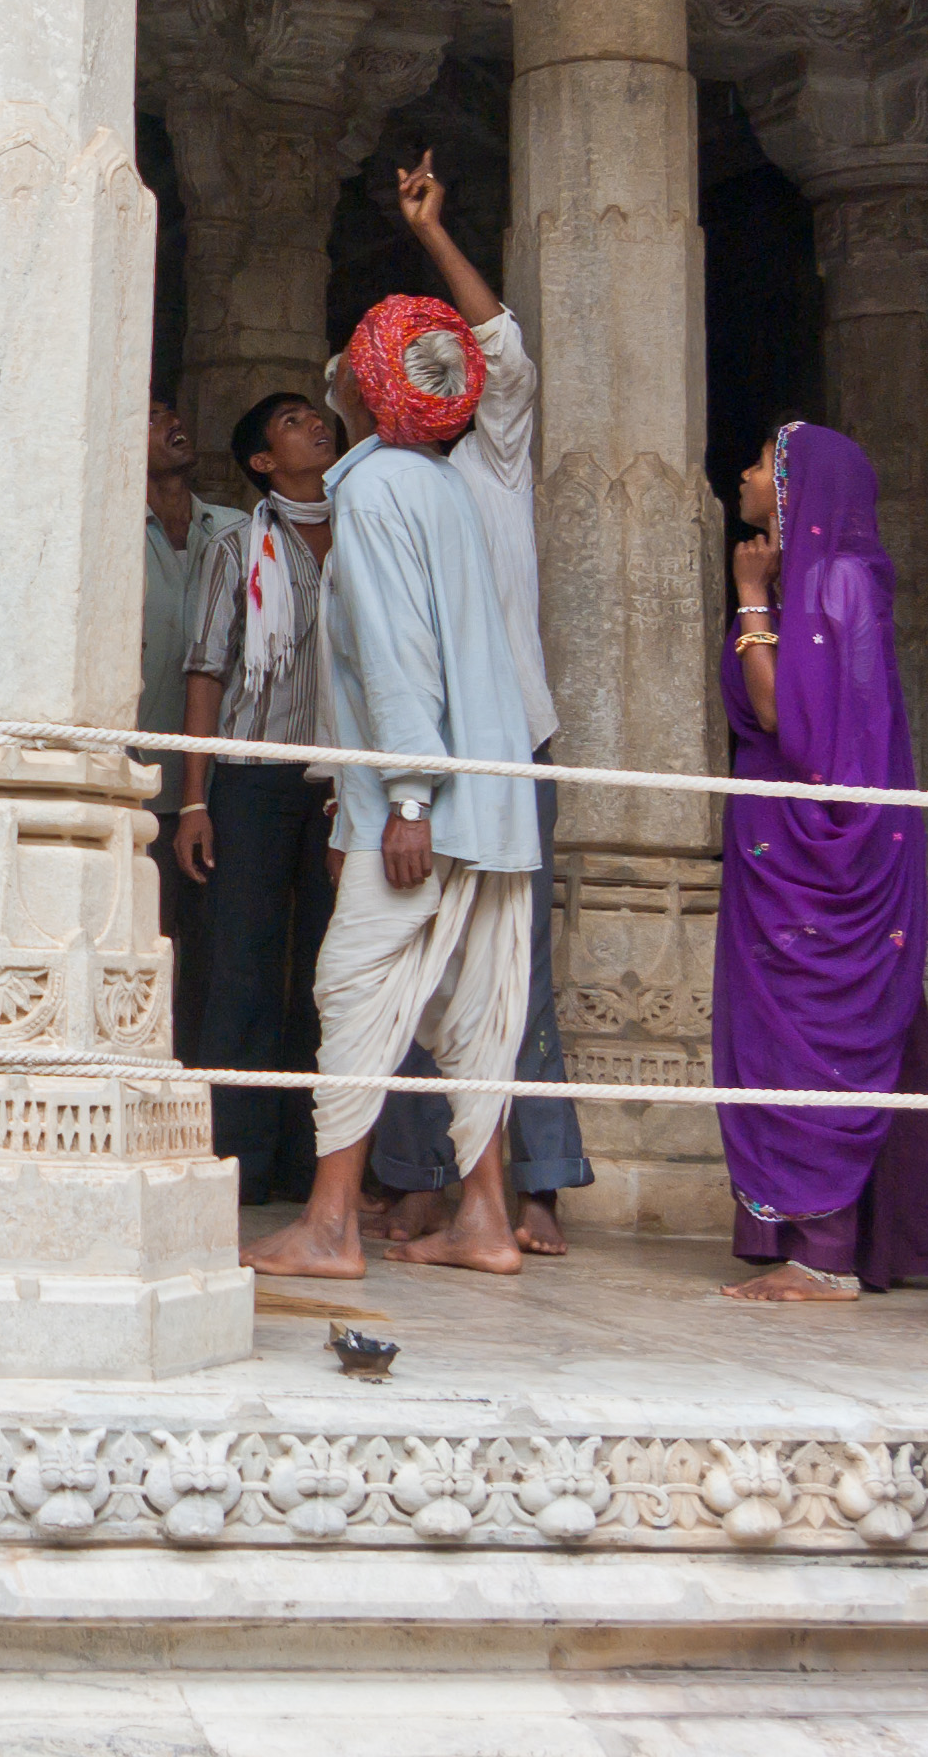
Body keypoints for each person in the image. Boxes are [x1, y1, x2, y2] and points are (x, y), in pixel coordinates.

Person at [252, 296, 544, 1280]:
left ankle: (330, 1224)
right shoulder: (440, 485)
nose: (328, 382)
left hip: (427, 802)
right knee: (469, 1009)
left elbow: (395, 654)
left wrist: (408, 797)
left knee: (350, 988)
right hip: (488, 794)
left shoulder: (373, 491)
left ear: (367, 387)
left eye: (342, 368)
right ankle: (484, 1220)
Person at [357, 152, 593, 1256]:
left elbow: (499, 348)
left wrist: (431, 235)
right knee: (408, 960)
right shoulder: (383, 477)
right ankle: (415, 1180)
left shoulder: (491, 459)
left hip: (504, 746)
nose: (444, 375)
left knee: (511, 967)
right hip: (412, 756)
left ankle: (530, 1185)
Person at [717, 421, 928, 1298]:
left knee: (815, 1036)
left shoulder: (830, 582)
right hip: (778, 845)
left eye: (762, 465)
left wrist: (749, 597)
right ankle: (819, 1239)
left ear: (798, 490)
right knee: (780, 1035)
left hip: (822, 857)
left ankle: (824, 1259)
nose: (748, 477)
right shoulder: (819, 581)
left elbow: (786, 724)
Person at [171, 390, 343, 1203]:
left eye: (316, 414)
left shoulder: (366, 533)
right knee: (241, 964)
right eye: (289, 422)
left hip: (344, 782)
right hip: (250, 778)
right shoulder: (236, 548)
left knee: (326, 969)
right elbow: (206, 672)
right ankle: (236, 1159)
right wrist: (196, 800)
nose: (315, 424)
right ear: (262, 463)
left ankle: (316, 1166)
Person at [144, 397, 250, 1056]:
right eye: (154, 419)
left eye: (170, 412)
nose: (175, 423)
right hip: (132, 779)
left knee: (218, 955)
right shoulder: (98, 529)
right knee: (143, 946)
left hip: (219, 788)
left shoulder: (237, 529)